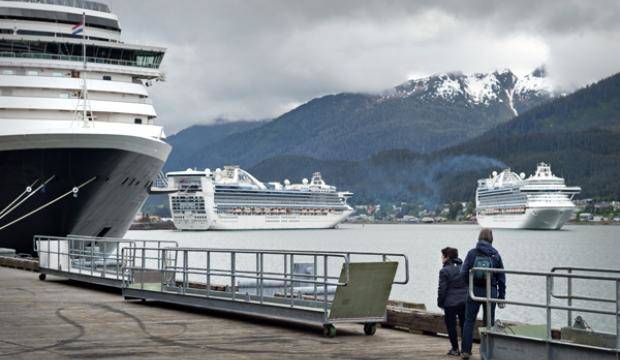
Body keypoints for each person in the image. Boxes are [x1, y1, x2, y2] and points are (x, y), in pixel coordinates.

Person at [459, 228, 506, 359]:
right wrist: (501, 297)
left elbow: (463, 273)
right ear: (491, 239)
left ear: (479, 238)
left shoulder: (472, 253)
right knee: (488, 323)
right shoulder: (495, 255)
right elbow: (501, 277)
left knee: (469, 321)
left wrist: (469, 285)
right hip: (490, 292)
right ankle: (486, 352)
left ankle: (465, 352)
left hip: (474, 291)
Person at [437, 247, 467, 356]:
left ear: (447, 257)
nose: (441, 258)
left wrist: (440, 303)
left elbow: (442, 289)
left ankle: (455, 349)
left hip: (450, 303)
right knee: (465, 325)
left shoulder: (444, 271)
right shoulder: (464, 268)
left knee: (451, 325)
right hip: (465, 301)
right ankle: (466, 349)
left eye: (442, 256)